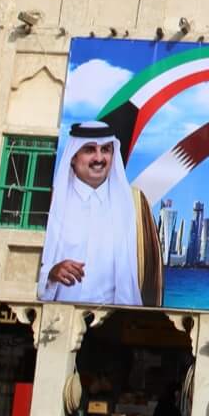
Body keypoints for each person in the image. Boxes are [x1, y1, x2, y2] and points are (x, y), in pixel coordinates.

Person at [37, 121, 163, 306]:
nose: (99, 158)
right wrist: (50, 273)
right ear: (73, 156)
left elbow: (150, 275)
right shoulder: (51, 202)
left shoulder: (134, 205)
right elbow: (21, 267)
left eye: (105, 150)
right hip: (58, 319)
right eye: (89, 150)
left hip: (113, 323)